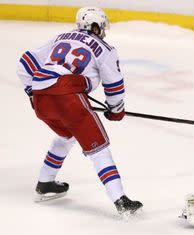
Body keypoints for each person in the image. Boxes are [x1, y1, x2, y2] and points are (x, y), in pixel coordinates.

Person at [16, 7, 142, 215]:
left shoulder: (60, 37)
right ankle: (121, 201)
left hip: (41, 97)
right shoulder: (105, 49)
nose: (103, 32)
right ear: (96, 26)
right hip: (68, 98)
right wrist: (116, 110)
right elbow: (114, 85)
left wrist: (32, 93)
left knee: (66, 135)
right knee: (99, 148)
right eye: (101, 27)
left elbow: (25, 64)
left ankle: (45, 182)